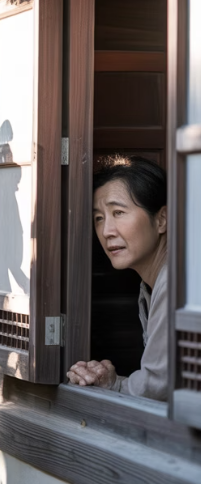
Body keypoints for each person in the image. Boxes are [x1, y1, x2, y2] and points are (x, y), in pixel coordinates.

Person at [67, 155, 168, 400]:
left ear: (161, 219)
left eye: (119, 212)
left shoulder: (177, 283)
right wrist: (111, 383)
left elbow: (159, 388)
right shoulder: (150, 286)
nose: (106, 231)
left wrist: (115, 387)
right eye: (99, 218)